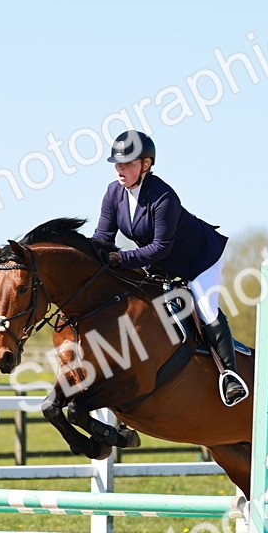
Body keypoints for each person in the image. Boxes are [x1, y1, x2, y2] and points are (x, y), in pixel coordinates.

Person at [92, 130, 248, 406]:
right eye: (117, 163)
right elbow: (102, 238)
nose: (120, 169)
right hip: (159, 263)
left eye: (127, 163)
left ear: (146, 165)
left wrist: (122, 259)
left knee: (206, 308)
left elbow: (160, 246)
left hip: (198, 259)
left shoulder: (163, 196)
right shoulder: (113, 193)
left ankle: (230, 375)